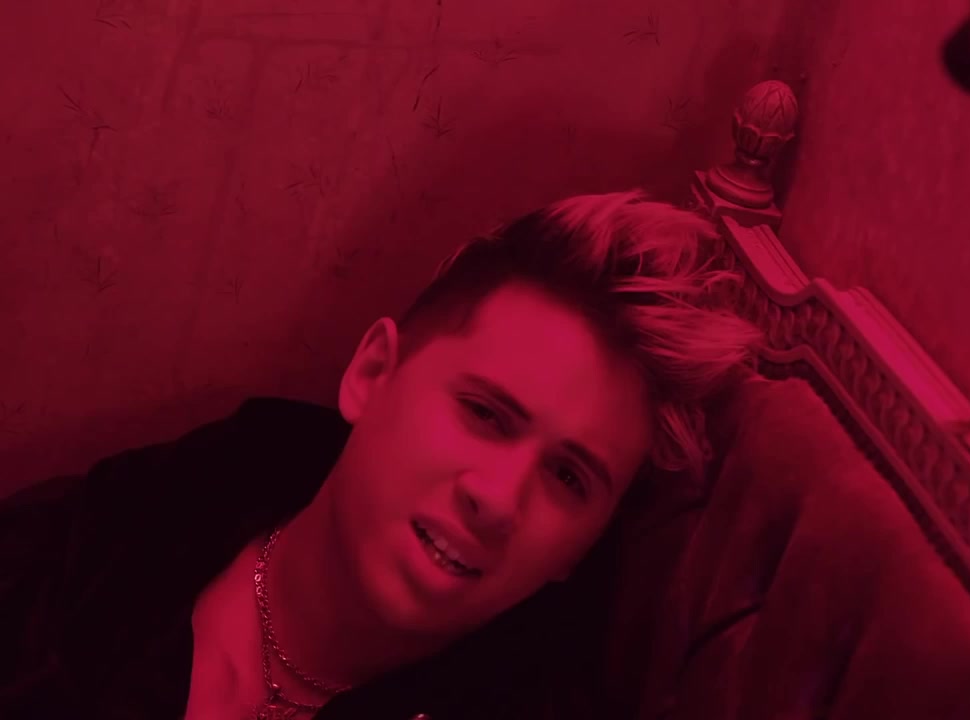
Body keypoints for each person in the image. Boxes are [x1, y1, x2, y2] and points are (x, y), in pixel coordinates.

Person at [0, 191, 762, 720]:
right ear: (371, 374)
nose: (498, 499)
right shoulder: (82, 554)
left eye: (569, 476)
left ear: (584, 548)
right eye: (485, 414)